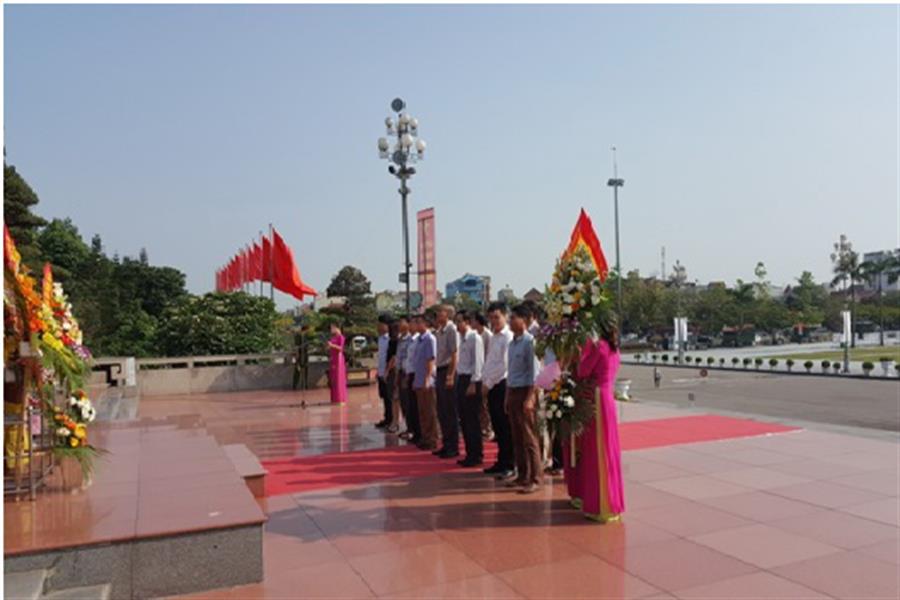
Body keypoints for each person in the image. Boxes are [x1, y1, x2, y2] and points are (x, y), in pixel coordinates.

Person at [566, 312, 625, 521]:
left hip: (596, 399)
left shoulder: (598, 346)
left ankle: (599, 504)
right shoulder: (615, 349)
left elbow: (582, 371)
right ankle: (610, 502)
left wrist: (582, 352)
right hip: (608, 398)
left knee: (595, 452)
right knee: (608, 450)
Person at [506, 304, 541, 493]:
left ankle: (535, 478)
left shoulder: (530, 342)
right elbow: (511, 372)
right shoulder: (512, 343)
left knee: (529, 437)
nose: (511, 321)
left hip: (525, 392)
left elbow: (535, 374)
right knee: (517, 437)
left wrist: (530, 398)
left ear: (525, 320)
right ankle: (522, 474)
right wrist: (507, 396)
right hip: (513, 391)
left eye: (514, 318)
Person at [482, 302, 515, 479]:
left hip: (502, 384)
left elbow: (504, 366)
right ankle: (501, 460)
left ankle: (509, 464)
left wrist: (488, 382)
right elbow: (490, 362)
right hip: (492, 385)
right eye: (491, 318)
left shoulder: (508, 337)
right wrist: (485, 380)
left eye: (497, 317)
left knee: (505, 426)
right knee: (497, 427)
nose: (494, 321)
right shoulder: (494, 337)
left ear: (505, 316)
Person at [455, 310, 484, 467]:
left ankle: (476, 454)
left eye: (459, 321)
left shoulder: (475, 338)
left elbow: (478, 362)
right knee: (464, 419)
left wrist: (474, 383)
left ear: (467, 321)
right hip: (462, 378)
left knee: (472, 420)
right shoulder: (461, 338)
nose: (457, 325)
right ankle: (469, 452)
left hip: (472, 380)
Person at [433, 305, 460, 459]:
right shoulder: (439, 331)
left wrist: (450, 375)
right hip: (440, 370)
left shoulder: (451, 330)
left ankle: (453, 446)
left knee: (450, 411)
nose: (437, 314)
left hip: (448, 371)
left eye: (440, 312)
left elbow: (454, 353)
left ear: (448, 314)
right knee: (442, 410)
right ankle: (446, 443)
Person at [412, 314, 440, 451]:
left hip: (427, 380)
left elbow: (430, 359)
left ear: (426, 323)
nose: (416, 325)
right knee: (422, 411)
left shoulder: (430, 339)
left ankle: (432, 438)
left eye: (419, 322)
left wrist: (427, 378)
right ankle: (425, 436)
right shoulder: (418, 340)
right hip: (418, 378)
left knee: (430, 411)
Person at [470, 312, 494, 441]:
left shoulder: (487, 335)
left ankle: (488, 429)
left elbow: (489, 355)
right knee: (479, 403)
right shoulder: (474, 335)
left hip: (486, 373)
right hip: (478, 372)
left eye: (473, 321)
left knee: (484, 404)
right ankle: (482, 427)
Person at [403, 320, 421, 444]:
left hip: (417, 374)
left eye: (413, 323)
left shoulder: (420, 339)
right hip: (410, 373)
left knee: (417, 406)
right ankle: (414, 431)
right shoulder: (411, 339)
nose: (410, 326)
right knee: (411, 406)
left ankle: (420, 433)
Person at [395, 317, 413, 438]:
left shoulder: (411, 339)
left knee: (409, 402)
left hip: (408, 373)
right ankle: (408, 427)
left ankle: (412, 429)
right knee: (403, 402)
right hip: (401, 372)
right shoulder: (400, 339)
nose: (399, 325)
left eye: (402, 322)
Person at [375, 317, 391, 428]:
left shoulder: (390, 339)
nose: (378, 327)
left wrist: (386, 371)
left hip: (388, 372)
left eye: (380, 324)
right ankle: (387, 418)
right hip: (381, 372)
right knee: (384, 396)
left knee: (390, 397)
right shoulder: (380, 339)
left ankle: (391, 419)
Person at [326, 323, 347, 404]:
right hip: (333, 358)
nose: (331, 330)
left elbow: (341, 348)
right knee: (333, 379)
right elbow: (330, 347)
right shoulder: (333, 337)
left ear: (337, 328)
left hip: (338, 359)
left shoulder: (341, 337)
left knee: (338, 379)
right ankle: (334, 399)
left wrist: (332, 345)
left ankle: (340, 398)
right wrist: (328, 346)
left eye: (332, 328)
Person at [385, 320, 400, 433]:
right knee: (392, 397)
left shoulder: (396, 341)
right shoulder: (392, 341)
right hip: (392, 370)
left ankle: (395, 421)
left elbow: (394, 357)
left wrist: (387, 370)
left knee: (395, 397)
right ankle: (394, 420)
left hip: (394, 370)